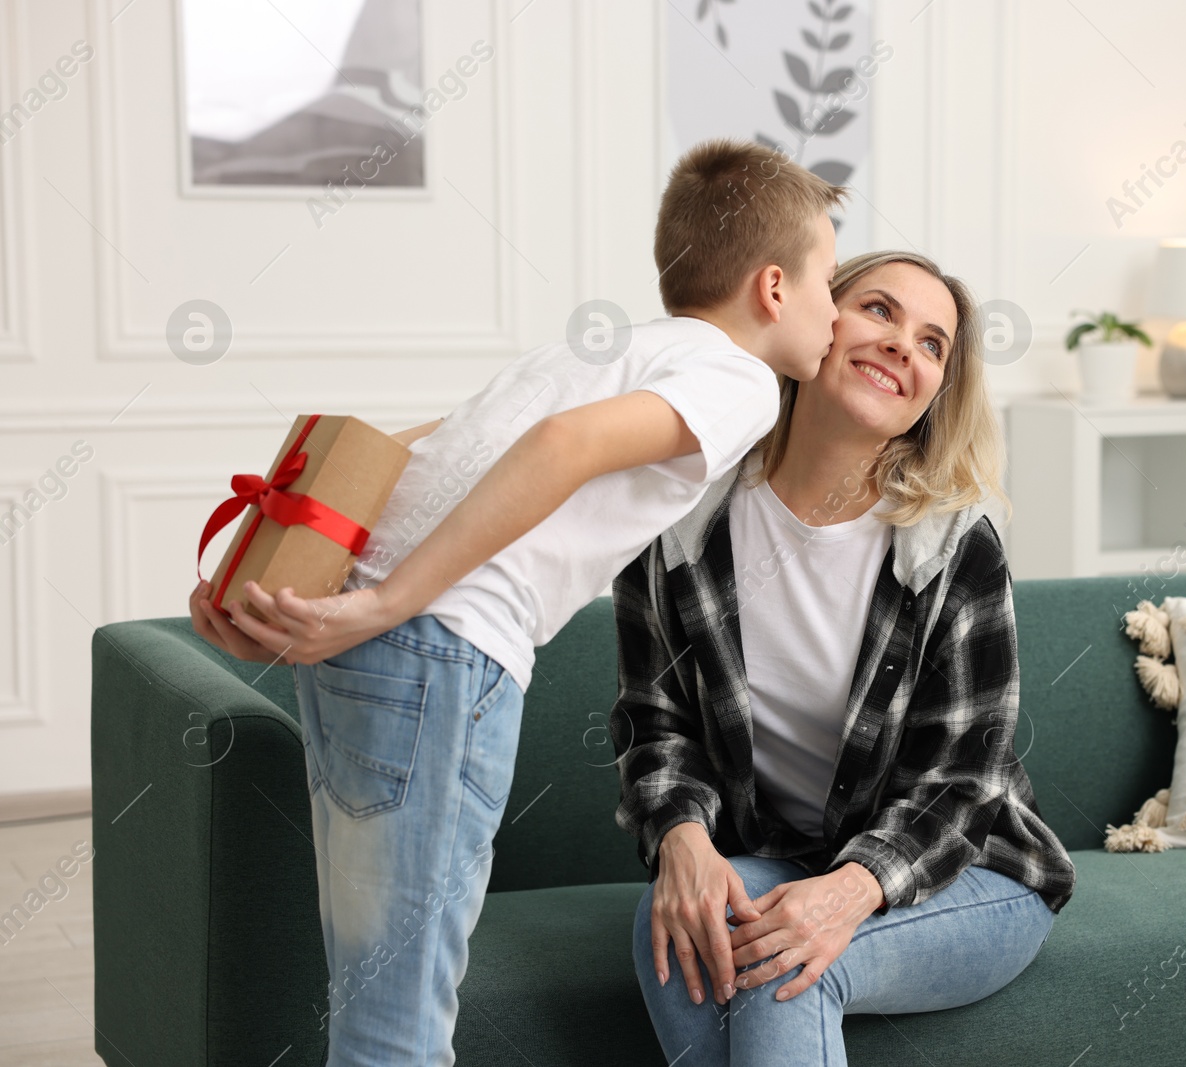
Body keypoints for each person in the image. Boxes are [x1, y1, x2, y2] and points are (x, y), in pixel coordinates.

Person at [186, 137, 845, 1065]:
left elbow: (427, 449)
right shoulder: (743, 382)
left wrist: (303, 596)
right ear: (774, 289)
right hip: (444, 652)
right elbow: (560, 448)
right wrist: (395, 603)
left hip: (374, 649)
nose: (837, 316)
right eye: (830, 285)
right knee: (401, 1029)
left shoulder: (608, 346)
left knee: (372, 1001)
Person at [610, 250, 1077, 1065]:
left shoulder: (953, 548)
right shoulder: (682, 520)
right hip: (787, 858)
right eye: (880, 311)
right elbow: (656, 723)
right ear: (820, 324)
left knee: (775, 966)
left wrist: (849, 891)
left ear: (936, 395)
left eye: (934, 344)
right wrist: (682, 839)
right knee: (677, 929)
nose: (905, 345)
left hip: (972, 873)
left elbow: (964, 783)